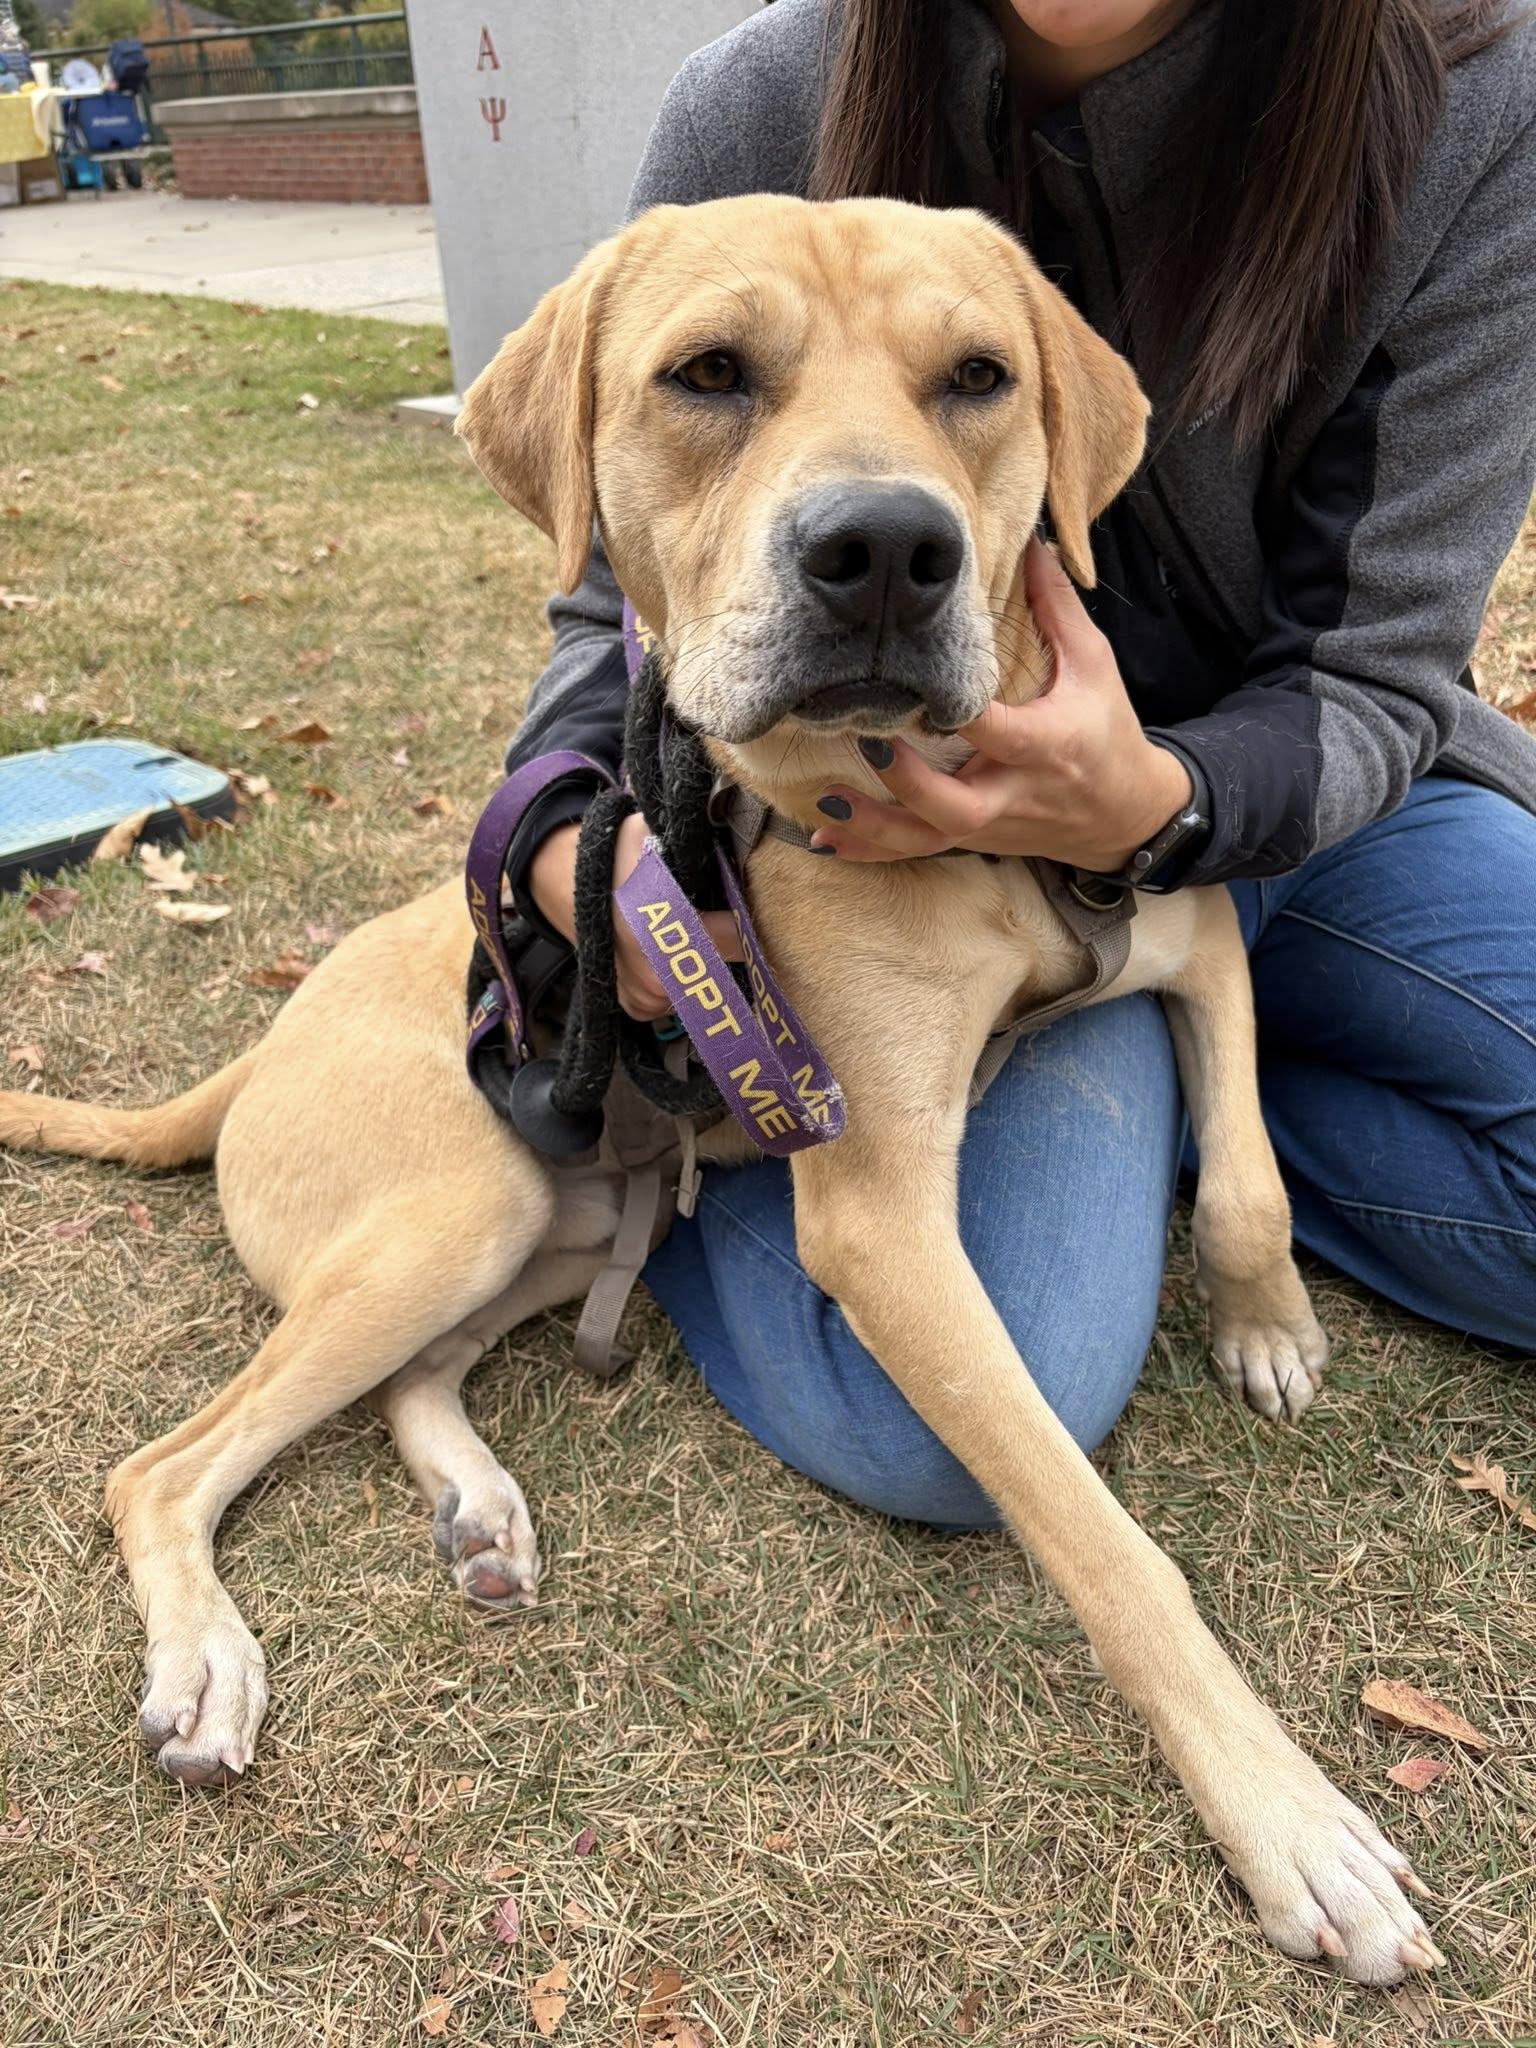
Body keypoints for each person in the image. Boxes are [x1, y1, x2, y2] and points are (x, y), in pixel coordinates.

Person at [500, 0, 1536, 1528]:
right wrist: (559, 835)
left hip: (1332, 810)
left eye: (968, 382)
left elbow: (1379, 670)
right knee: (951, 1424)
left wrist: (1148, 804)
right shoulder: (758, 99)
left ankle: (1212, 1097)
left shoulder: (1474, 98)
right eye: (727, 370)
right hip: (913, 852)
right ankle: (754, 1176)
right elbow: (620, 594)